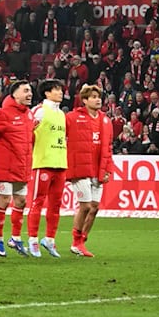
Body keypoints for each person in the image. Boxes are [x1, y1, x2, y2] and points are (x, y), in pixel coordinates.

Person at [66, 85, 114, 257]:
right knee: (85, 206)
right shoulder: (72, 117)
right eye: (93, 97)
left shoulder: (106, 120)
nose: (97, 99)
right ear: (84, 100)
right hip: (80, 168)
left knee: (94, 208)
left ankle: (82, 241)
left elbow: (108, 147)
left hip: (98, 169)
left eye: (98, 96)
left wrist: (108, 168)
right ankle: (75, 241)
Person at [0, 81, 34, 257]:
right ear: (14, 94)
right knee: (4, 200)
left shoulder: (29, 114)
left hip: (22, 166)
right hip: (5, 166)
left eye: (30, 90)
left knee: (21, 201)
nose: (30, 94)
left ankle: (15, 238)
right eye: (26, 91)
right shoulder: (3, 114)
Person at [27, 79, 68, 258]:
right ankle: (33, 240)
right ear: (47, 93)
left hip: (60, 163)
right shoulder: (39, 111)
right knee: (38, 202)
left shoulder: (62, 114)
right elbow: (28, 133)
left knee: (56, 204)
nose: (60, 92)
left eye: (61, 89)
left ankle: (50, 239)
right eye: (56, 89)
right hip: (43, 163)